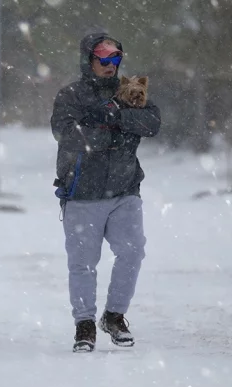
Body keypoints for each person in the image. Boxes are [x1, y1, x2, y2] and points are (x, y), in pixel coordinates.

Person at [50, 33, 161, 353]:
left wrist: (116, 117)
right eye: (104, 60)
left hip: (125, 189)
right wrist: (107, 134)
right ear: (89, 60)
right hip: (83, 193)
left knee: (132, 252)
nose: (111, 66)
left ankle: (114, 316)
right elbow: (66, 134)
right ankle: (84, 324)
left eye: (116, 59)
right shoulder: (71, 95)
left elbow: (152, 121)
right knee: (83, 263)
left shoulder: (128, 89)